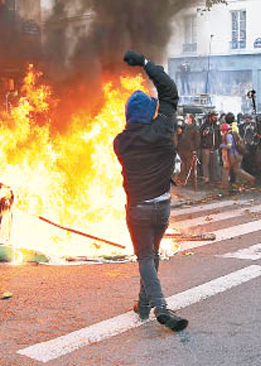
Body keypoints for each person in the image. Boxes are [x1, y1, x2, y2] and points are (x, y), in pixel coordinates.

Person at [114, 50, 188, 332]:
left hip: (138, 209)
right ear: (151, 114)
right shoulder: (163, 129)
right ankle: (143, 304)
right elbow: (169, 92)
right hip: (162, 207)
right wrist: (146, 64)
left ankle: (160, 307)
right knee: (152, 254)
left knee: (145, 256)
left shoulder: (120, 142)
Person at [219, 123, 255, 191]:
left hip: (232, 156)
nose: (222, 132)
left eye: (222, 131)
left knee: (225, 169)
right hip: (238, 155)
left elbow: (229, 146)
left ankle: (224, 185)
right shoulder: (234, 134)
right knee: (237, 170)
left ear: (225, 130)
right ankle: (251, 178)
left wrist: (221, 145)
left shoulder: (228, 136)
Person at [176, 114, 199, 187]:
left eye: (187, 118)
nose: (186, 119)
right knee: (183, 165)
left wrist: (195, 149)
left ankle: (191, 181)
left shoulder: (194, 128)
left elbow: (197, 140)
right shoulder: (184, 127)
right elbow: (179, 136)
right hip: (182, 149)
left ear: (191, 119)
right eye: (186, 118)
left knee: (190, 165)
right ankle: (182, 179)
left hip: (190, 150)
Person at [199, 111, 220, 184]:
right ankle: (206, 178)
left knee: (215, 164)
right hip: (206, 148)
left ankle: (215, 178)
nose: (215, 118)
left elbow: (218, 136)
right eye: (214, 116)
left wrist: (218, 145)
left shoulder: (216, 126)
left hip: (214, 148)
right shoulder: (204, 126)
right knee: (205, 163)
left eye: (216, 116)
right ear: (210, 117)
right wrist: (203, 133)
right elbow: (200, 135)